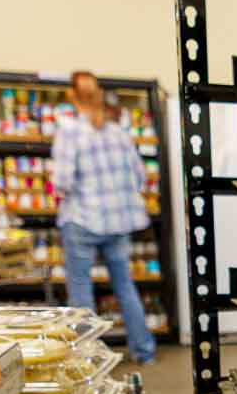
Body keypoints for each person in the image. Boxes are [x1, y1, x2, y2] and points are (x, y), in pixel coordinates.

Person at [51, 70, 157, 363]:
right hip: (118, 222)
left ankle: (88, 358)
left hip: (82, 219)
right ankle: (144, 351)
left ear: (73, 96)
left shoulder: (69, 131)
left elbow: (62, 181)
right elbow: (140, 177)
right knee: (125, 285)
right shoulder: (118, 132)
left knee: (81, 290)